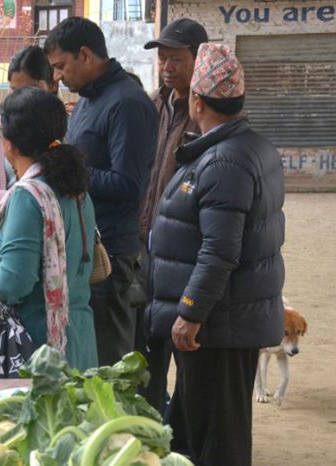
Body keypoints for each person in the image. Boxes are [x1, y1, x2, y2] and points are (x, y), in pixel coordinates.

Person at [147, 43, 285, 466]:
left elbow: (221, 250)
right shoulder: (243, 147)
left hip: (217, 327)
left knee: (220, 443)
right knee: (193, 435)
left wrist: (190, 311)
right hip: (222, 322)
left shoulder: (225, 160)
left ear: (198, 100)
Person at [0, 87, 98, 371]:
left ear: (8, 143)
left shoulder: (28, 195)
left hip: (34, 348)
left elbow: (13, 284)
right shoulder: (74, 189)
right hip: (78, 339)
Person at [44, 17, 158, 366]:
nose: (57, 77)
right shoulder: (88, 100)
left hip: (110, 257)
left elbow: (129, 186)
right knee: (83, 361)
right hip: (82, 250)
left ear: (85, 55)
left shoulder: (127, 103)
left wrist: (69, 170)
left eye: (61, 66)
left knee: (108, 365)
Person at [139, 18, 209, 413]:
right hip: (145, 244)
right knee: (149, 349)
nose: (166, 66)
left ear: (198, 60)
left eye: (176, 59)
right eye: (162, 58)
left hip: (185, 251)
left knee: (187, 353)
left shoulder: (205, 113)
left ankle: (184, 435)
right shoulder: (152, 106)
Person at [0, 45, 57, 215]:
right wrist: (18, 199)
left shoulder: (64, 128)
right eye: (15, 91)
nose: (23, 98)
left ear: (52, 85)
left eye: (32, 89)